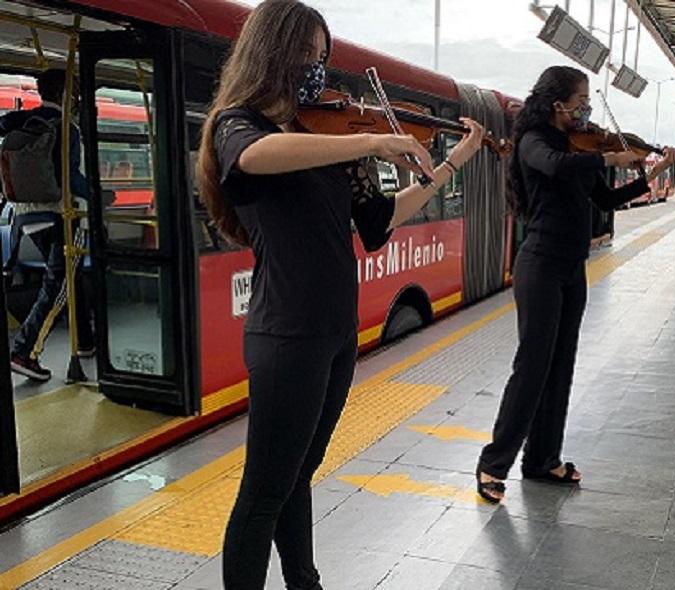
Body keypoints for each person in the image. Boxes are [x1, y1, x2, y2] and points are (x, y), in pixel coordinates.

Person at [195, 1, 485, 588]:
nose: (317, 72)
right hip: (286, 334)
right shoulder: (239, 125)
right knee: (264, 489)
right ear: (271, 53)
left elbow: (380, 222)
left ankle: (305, 581)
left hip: (334, 334)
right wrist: (371, 144)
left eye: (323, 59)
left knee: (300, 473)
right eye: (307, 56)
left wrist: (451, 160)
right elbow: (252, 158)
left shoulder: (320, 132)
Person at [474, 65, 675, 503]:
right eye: (581, 101)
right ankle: (493, 464)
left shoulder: (577, 145)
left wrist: (655, 169)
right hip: (540, 267)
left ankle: (543, 459)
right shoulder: (535, 142)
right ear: (557, 104)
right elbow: (555, 166)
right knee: (532, 368)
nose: (586, 109)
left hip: (572, 267)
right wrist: (610, 158)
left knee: (561, 365)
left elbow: (605, 200)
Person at [1, 68, 95, 381]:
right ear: (66, 94)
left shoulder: (28, 122)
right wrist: (98, 198)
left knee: (71, 275)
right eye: (76, 91)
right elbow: (72, 178)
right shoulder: (67, 127)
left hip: (26, 214)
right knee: (60, 285)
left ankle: (85, 341)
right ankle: (25, 351)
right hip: (61, 213)